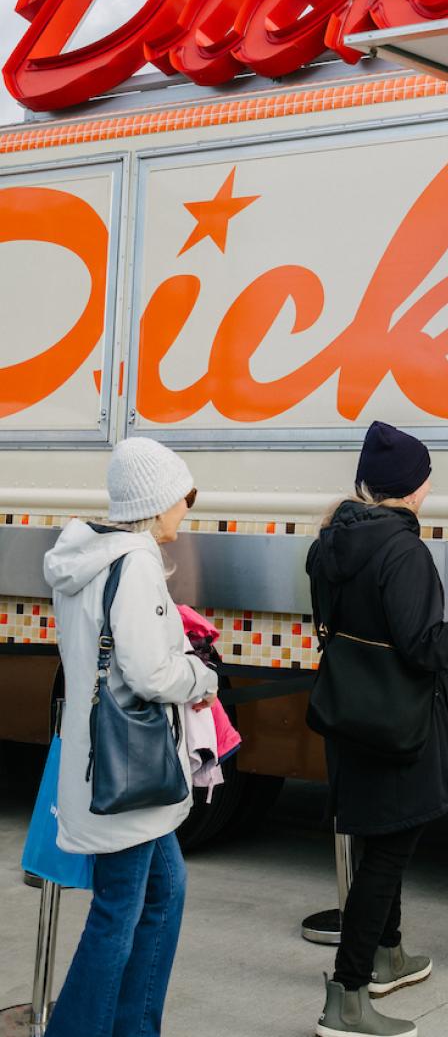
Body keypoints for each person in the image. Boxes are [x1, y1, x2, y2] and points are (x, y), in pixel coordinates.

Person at [307, 421, 448, 1037]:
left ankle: (387, 954)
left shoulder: (332, 540)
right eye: (427, 475)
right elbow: (425, 648)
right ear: (412, 487)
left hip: (349, 715)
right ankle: (348, 996)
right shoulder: (403, 551)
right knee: (389, 850)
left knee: (378, 837)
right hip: (398, 722)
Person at [42, 437, 218, 1037]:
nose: (185, 511)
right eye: (182, 498)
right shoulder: (136, 562)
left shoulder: (84, 556)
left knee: (164, 893)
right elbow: (148, 672)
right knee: (120, 910)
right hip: (128, 771)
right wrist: (200, 674)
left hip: (100, 760)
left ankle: (134, 1028)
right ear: (156, 500)